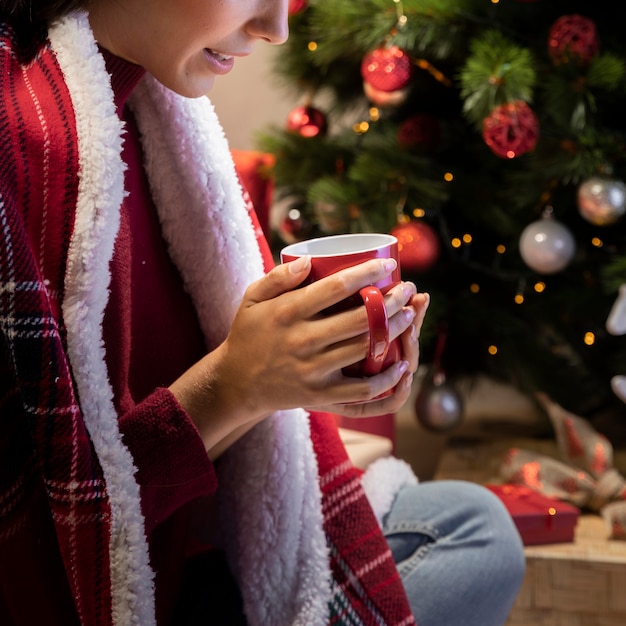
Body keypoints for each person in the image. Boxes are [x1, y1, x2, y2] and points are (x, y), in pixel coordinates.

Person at [0, 1, 525, 625]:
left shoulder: (156, 105)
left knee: (475, 529)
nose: (274, 29)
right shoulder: (17, 142)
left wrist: (295, 378)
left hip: (189, 558)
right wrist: (236, 386)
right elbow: (42, 547)